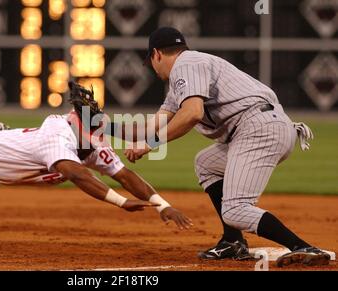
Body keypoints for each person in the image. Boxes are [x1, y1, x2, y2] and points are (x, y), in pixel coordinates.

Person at [119, 27, 328, 267]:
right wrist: (101, 124)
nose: (154, 69)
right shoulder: (183, 80)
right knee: (206, 164)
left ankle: (303, 247)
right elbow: (150, 126)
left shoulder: (187, 63)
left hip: (258, 129)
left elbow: (192, 114)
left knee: (236, 210)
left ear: (156, 54)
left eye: (151, 61)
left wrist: (150, 145)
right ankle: (233, 241)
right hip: (261, 127)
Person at [0, 82, 192, 230]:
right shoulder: (56, 133)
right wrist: (121, 202)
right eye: (93, 124)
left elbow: (125, 175)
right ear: (79, 123)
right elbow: (75, 174)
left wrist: (162, 206)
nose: (100, 131)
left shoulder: (92, 144)